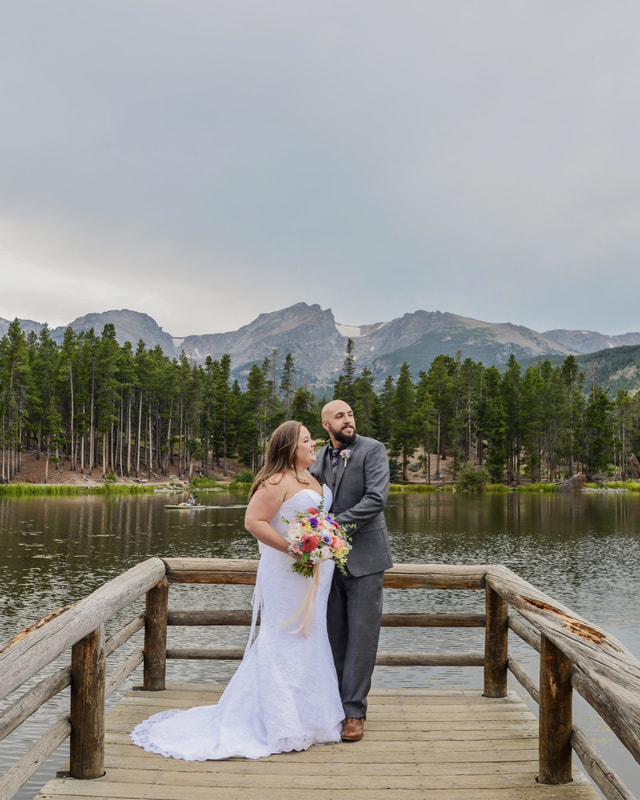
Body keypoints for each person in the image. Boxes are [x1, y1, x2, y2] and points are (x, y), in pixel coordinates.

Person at [130, 420, 343, 760]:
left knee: (311, 636)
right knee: (283, 635)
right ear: (290, 447)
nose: (313, 444)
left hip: (317, 572)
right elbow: (253, 522)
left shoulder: (312, 479)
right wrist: (293, 549)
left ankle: (311, 719)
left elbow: (319, 518)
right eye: (307, 440)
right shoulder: (275, 481)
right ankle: (279, 722)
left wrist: (324, 542)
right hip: (287, 572)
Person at [309, 399, 393, 743]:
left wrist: (330, 526)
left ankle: (355, 713)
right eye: (340, 416)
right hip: (328, 563)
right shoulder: (316, 459)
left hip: (365, 560)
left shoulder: (372, 450)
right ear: (326, 424)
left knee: (362, 638)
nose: (348, 420)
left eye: (351, 414)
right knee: (334, 636)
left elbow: (376, 499)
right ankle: (335, 707)